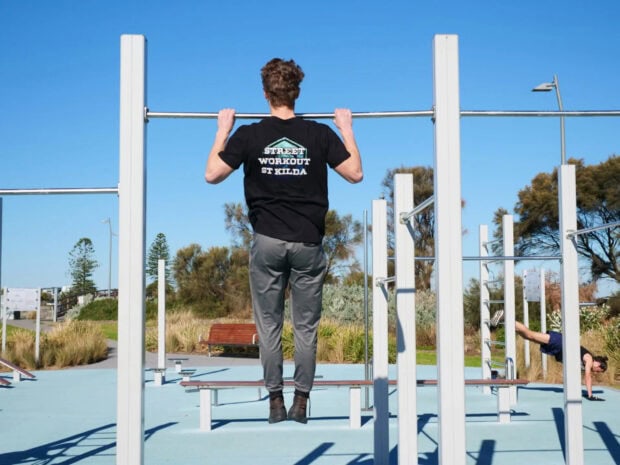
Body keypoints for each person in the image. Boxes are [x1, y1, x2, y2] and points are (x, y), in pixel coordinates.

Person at [204, 58, 363, 424]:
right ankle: (301, 402)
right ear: (297, 93)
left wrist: (222, 130)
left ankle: (275, 401)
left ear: (265, 94)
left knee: (270, 326)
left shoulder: (249, 135)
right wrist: (346, 129)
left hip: (268, 243)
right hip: (308, 244)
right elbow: (355, 172)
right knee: (305, 327)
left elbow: (212, 173)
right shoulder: (320, 134)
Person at [491, 310, 608, 401]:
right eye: (598, 370)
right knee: (529, 334)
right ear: (598, 364)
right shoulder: (588, 359)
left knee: (527, 336)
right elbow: (587, 376)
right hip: (559, 342)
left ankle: (505, 320)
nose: (596, 372)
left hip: (558, 347)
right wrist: (590, 395)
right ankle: (505, 316)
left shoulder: (585, 360)